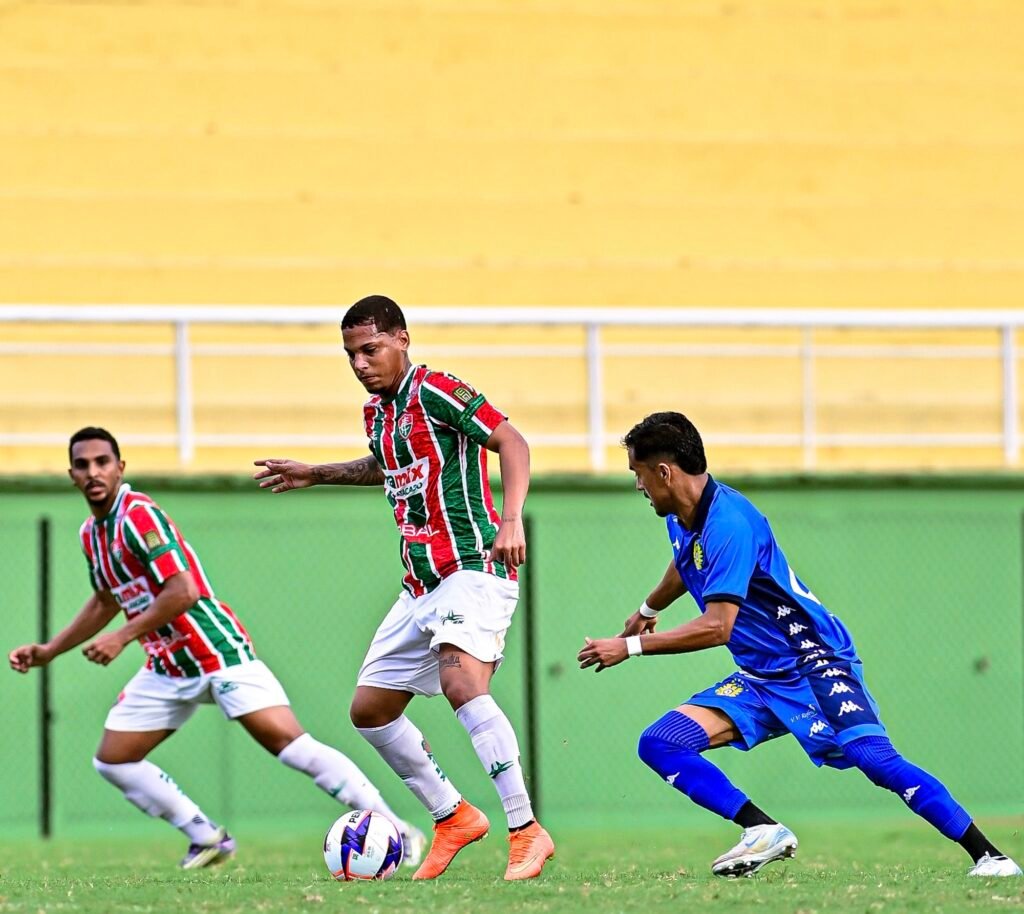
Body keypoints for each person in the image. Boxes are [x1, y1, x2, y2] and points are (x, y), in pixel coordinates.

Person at [577, 411, 1022, 879]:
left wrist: (628, 648)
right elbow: (686, 560)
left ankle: (991, 856)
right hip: (762, 676)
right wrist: (647, 610)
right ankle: (761, 830)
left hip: (815, 662)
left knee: (874, 759)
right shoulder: (685, 516)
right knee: (662, 743)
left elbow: (717, 627)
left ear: (663, 472)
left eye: (638, 473)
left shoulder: (730, 523)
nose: (638, 486)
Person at [8, 427, 425, 870]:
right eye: (83, 465)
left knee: (291, 744)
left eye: (102, 462)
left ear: (120, 468)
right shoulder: (92, 533)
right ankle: (207, 838)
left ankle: (397, 828)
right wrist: (51, 650)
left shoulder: (138, 516)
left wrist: (121, 636)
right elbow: (105, 599)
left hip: (216, 652)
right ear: (72, 474)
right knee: (114, 760)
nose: (93, 472)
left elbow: (183, 590)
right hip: (168, 667)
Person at [253, 294, 554, 881]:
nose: (360, 364)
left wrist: (511, 518)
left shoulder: (437, 388)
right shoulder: (377, 413)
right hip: (420, 585)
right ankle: (453, 816)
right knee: (370, 710)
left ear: (402, 340)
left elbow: (513, 443)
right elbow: (385, 466)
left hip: (474, 566)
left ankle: (525, 829)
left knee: (461, 680)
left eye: (370, 349)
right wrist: (317, 473)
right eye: (351, 355)